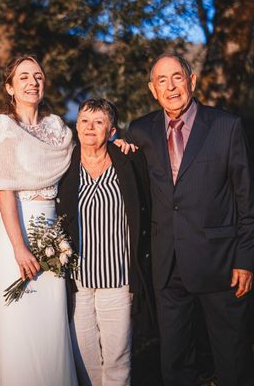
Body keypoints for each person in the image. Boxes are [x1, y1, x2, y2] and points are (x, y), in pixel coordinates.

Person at [127, 52, 254, 385]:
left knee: (232, 357)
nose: (171, 87)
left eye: (177, 77)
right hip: (167, 263)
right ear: (152, 90)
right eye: (162, 80)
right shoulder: (140, 131)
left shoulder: (226, 126)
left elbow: (247, 200)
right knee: (174, 361)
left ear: (192, 80)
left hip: (221, 262)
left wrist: (245, 260)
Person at [0, 55, 77, 385]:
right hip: (16, 231)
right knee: (18, 323)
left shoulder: (58, 129)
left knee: (51, 323)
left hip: (53, 233)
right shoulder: (3, 126)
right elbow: (4, 190)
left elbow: (86, 154)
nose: (32, 82)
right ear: (10, 87)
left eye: (37, 76)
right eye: (23, 77)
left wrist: (116, 139)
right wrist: (20, 248)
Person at [57, 97, 153, 385]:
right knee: (84, 358)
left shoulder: (129, 162)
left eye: (99, 122)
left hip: (118, 280)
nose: (90, 127)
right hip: (79, 281)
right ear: (76, 127)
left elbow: (146, 210)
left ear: (112, 131)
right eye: (84, 120)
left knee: (117, 359)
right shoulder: (64, 164)